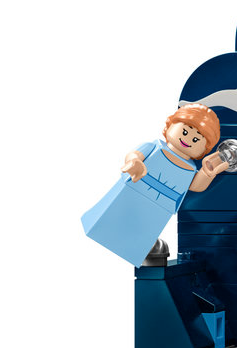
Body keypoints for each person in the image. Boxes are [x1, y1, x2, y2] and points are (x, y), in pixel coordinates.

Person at [82, 104, 227, 265]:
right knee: (110, 219)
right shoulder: (155, 147)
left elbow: (195, 186)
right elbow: (134, 154)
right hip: (134, 190)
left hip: (161, 207)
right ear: (170, 125)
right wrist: (135, 162)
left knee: (140, 235)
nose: (187, 140)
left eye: (196, 139)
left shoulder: (191, 169)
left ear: (204, 149)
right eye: (185, 132)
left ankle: (131, 249)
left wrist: (207, 172)